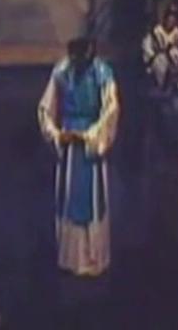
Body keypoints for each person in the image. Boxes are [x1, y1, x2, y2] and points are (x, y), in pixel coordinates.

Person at [38, 38, 120, 276]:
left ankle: (94, 256)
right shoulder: (62, 72)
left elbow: (111, 109)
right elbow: (45, 108)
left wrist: (90, 136)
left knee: (93, 199)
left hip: (91, 139)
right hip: (69, 143)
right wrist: (56, 134)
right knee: (69, 197)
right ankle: (71, 257)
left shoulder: (102, 73)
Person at [142, 5, 178, 87]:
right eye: (169, 19)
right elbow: (147, 46)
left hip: (171, 61)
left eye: (174, 19)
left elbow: (176, 49)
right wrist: (153, 56)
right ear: (165, 19)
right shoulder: (157, 30)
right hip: (156, 60)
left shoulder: (177, 33)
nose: (171, 22)